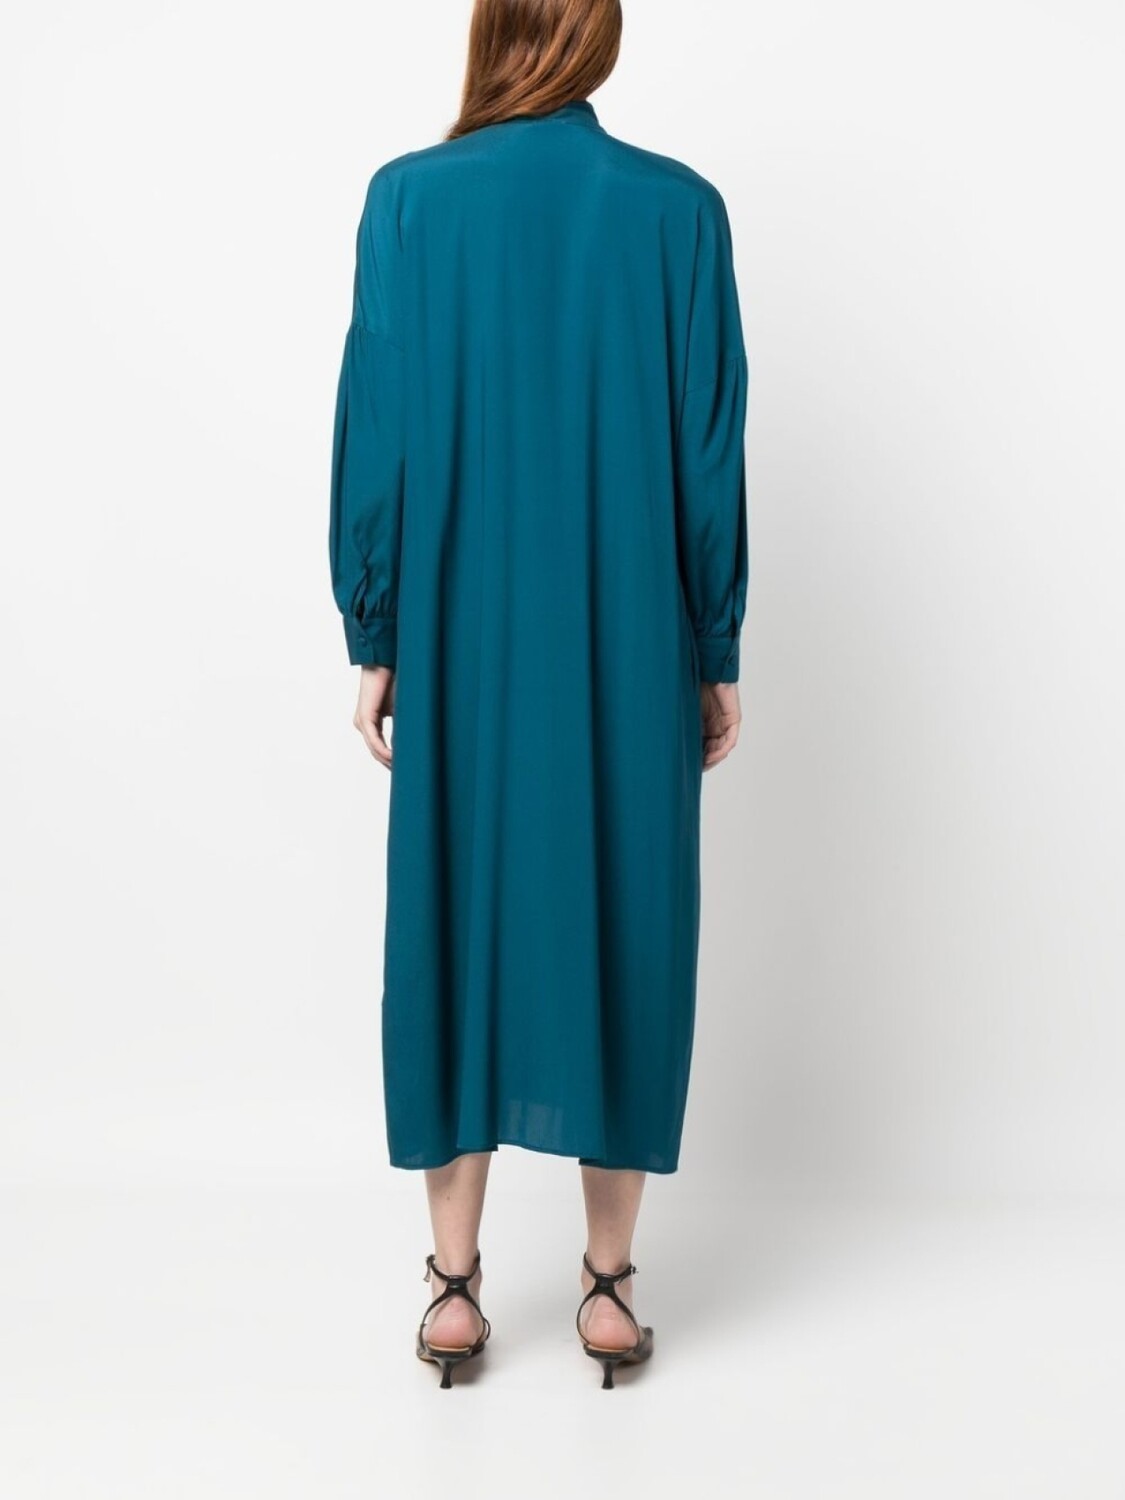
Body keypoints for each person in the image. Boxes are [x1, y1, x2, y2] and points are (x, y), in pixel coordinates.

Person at [328, 0, 748, 1389]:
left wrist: (377, 627)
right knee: (624, 908)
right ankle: (609, 1287)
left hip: (460, 622)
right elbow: (707, 449)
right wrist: (712, 644)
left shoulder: (408, 202)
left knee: (451, 911)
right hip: (625, 626)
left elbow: (379, 422)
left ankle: (453, 1286)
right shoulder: (678, 211)